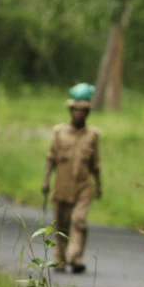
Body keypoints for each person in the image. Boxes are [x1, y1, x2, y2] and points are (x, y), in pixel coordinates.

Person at [41, 83, 102, 273]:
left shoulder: (92, 135)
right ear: (71, 111)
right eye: (76, 109)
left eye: (83, 110)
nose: (79, 113)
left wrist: (99, 185)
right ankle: (59, 258)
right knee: (62, 224)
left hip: (83, 186)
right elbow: (51, 158)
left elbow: (95, 163)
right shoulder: (60, 133)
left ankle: (75, 258)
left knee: (79, 220)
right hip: (62, 185)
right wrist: (46, 180)